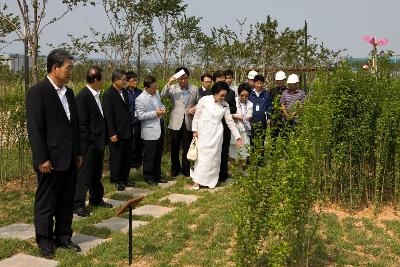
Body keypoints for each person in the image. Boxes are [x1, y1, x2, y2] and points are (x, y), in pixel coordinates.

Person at [26, 48, 82, 257]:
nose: (70, 72)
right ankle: (45, 241)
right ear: (54, 67)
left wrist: (78, 152)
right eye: (68, 68)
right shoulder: (38, 92)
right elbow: (35, 128)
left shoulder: (68, 93)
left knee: (66, 199)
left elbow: (73, 126)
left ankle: (63, 236)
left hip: (69, 157)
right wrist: (42, 158)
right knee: (46, 201)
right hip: (49, 159)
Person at [73, 66, 112, 218]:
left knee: (96, 174)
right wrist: (87, 145)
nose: (103, 81)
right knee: (84, 176)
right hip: (89, 145)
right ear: (95, 79)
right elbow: (82, 124)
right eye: (102, 79)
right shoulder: (83, 96)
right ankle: (77, 204)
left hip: (98, 142)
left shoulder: (95, 95)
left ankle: (96, 199)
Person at [191, 81, 242, 190]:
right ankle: (197, 181)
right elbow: (197, 116)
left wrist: (238, 136)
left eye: (225, 95)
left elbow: (230, 122)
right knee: (202, 156)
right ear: (215, 93)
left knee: (214, 157)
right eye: (221, 95)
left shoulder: (225, 105)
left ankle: (211, 181)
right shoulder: (204, 100)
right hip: (203, 132)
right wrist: (194, 130)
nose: (223, 98)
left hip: (217, 134)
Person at [161, 67, 198, 177]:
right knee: (175, 147)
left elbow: (199, 102)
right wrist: (169, 82)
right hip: (175, 121)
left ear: (188, 77)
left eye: (185, 78)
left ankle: (186, 170)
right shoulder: (172, 88)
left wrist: (194, 108)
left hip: (189, 121)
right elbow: (162, 96)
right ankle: (175, 168)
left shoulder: (194, 89)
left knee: (187, 147)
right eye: (180, 78)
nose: (183, 81)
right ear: (177, 78)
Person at [103, 70, 133, 191]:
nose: (125, 82)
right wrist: (112, 133)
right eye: (123, 80)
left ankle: (125, 177)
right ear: (116, 80)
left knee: (126, 156)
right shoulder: (109, 94)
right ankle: (116, 179)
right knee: (116, 156)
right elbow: (108, 116)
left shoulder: (124, 92)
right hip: (116, 132)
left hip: (127, 129)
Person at [136, 75, 168, 185]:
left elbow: (160, 104)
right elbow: (140, 116)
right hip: (149, 130)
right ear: (146, 88)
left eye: (156, 87)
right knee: (149, 155)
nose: (155, 90)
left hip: (160, 127)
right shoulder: (140, 99)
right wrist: (156, 113)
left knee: (158, 153)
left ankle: (157, 175)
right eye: (153, 88)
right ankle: (148, 176)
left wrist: (163, 108)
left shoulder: (157, 93)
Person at [212, 70, 237, 182]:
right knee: (213, 151)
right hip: (212, 127)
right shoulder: (210, 93)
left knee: (224, 151)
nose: (222, 83)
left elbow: (234, 108)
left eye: (223, 80)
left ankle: (223, 174)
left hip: (225, 126)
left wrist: (223, 108)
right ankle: (212, 173)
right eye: (219, 81)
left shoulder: (230, 93)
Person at [229, 83, 253, 171]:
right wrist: (236, 116)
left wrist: (244, 118)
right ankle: (231, 170)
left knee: (243, 149)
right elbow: (228, 114)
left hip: (244, 129)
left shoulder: (250, 104)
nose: (244, 97)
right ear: (238, 94)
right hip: (234, 128)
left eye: (246, 96)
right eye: (242, 95)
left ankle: (239, 169)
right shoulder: (234, 100)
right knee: (232, 149)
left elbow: (249, 116)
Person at [125, 71, 143, 168]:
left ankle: (138, 162)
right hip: (130, 122)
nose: (136, 82)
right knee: (131, 143)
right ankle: (131, 163)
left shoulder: (140, 92)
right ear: (127, 81)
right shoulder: (125, 93)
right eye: (133, 80)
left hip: (139, 121)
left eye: (137, 80)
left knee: (139, 142)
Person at [248, 74, 271, 144]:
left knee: (261, 141)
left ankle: (261, 155)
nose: (259, 85)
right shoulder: (250, 94)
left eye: (261, 83)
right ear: (254, 83)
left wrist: (269, 117)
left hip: (262, 122)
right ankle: (251, 154)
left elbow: (269, 106)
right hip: (251, 122)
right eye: (257, 83)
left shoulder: (266, 94)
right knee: (251, 141)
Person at [269, 71, 287, 138]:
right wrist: (269, 117)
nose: (279, 82)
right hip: (274, 118)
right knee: (273, 138)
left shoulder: (287, 91)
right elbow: (269, 104)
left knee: (284, 137)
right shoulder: (272, 91)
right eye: (278, 80)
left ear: (284, 80)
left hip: (284, 118)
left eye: (281, 80)